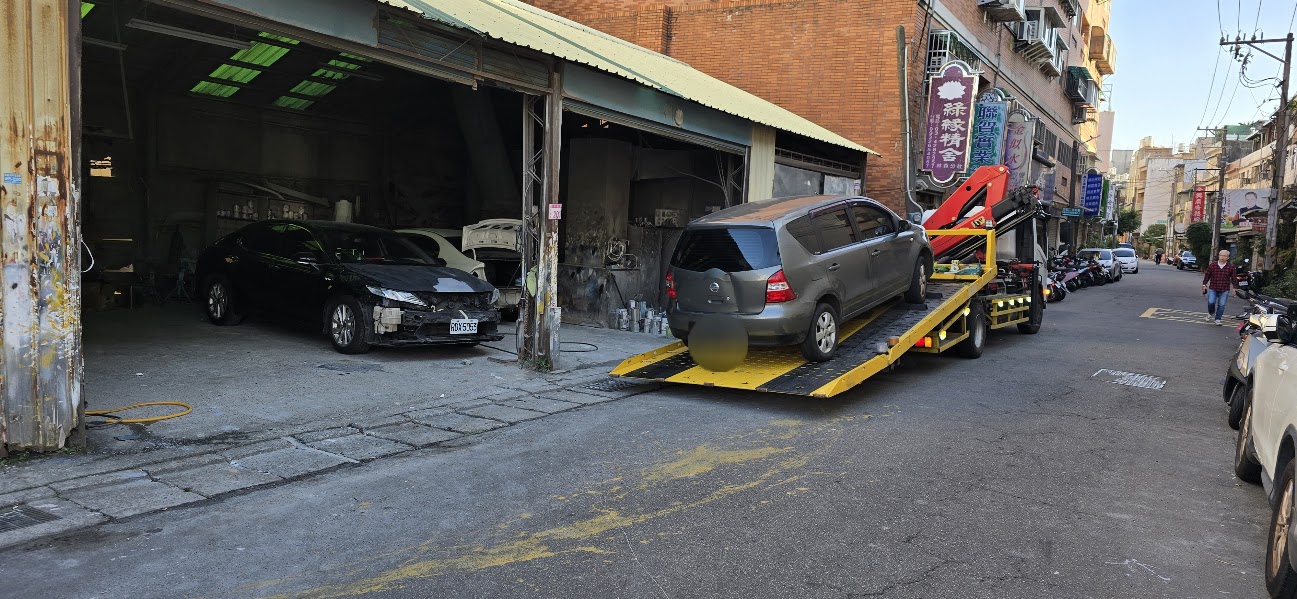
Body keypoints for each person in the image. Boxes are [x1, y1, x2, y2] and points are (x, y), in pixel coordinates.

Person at [1202, 249, 1238, 325]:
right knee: (1211, 302)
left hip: (1224, 289)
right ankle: (1211, 313)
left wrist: (1234, 288)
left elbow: (1234, 278)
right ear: (1219, 256)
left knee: (1221, 305)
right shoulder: (1213, 265)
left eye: (1225, 256)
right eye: (1221, 255)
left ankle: (1218, 319)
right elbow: (1207, 275)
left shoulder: (1231, 267)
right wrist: (1204, 284)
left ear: (1228, 258)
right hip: (1213, 288)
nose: (1223, 257)